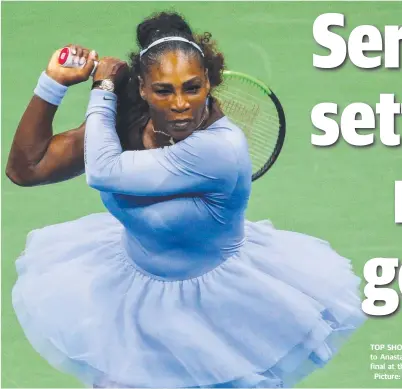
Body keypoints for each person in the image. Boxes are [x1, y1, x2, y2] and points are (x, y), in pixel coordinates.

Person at [7, 11, 367, 389]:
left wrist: (102, 91)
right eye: (163, 90)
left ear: (208, 83)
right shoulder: (121, 125)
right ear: (143, 89)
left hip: (220, 312)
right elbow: (26, 169)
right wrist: (53, 83)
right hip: (131, 304)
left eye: (192, 87)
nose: (180, 104)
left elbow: (102, 170)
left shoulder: (220, 148)